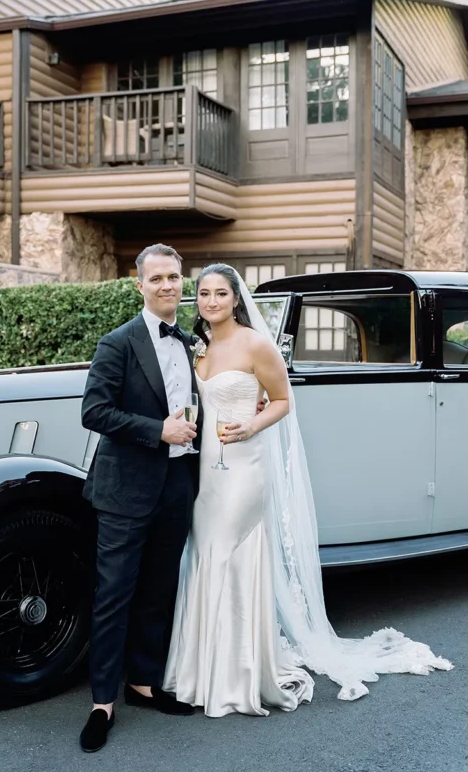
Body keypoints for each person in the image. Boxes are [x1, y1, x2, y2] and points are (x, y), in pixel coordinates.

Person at [164, 263, 453, 717]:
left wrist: (252, 423)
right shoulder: (198, 346)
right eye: (203, 293)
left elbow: (283, 400)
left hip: (244, 466)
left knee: (229, 552)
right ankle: (200, 668)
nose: (212, 301)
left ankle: (239, 672)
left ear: (237, 299)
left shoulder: (255, 343)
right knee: (202, 554)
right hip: (206, 470)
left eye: (221, 292)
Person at [78, 243, 201, 752]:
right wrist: (158, 431)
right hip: (126, 489)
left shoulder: (192, 342)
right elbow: (94, 412)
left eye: (174, 277)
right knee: (113, 598)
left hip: (177, 486)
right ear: (140, 286)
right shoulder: (118, 343)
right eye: (157, 279)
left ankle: (144, 683)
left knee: (158, 590)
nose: (168, 286)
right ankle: (102, 703)